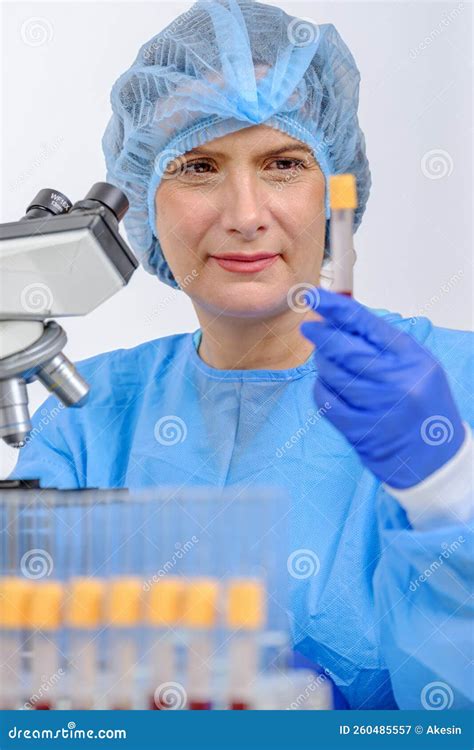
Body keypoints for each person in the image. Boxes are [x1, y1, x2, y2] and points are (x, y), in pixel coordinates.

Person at [9, 0, 473, 710]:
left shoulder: (451, 388)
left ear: (335, 195)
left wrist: (448, 492)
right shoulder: (85, 416)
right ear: (142, 201)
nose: (245, 212)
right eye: (198, 165)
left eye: (284, 162)